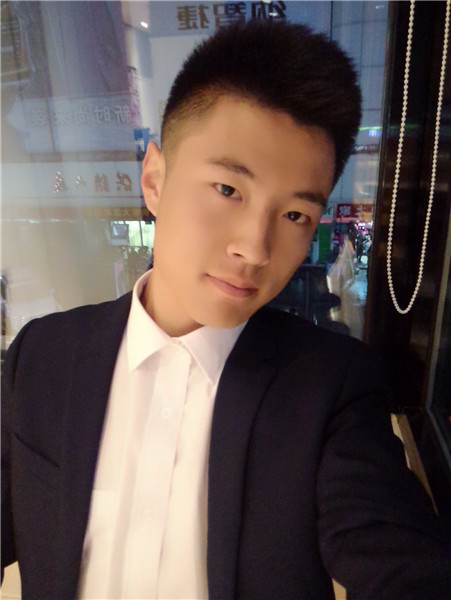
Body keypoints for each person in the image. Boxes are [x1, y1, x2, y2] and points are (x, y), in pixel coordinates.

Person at [2, 20, 450, 600]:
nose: (255, 249)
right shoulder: (42, 355)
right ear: (155, 180)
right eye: (228, 190)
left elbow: (398, 556)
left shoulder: (331, 388)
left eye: (295, 215)